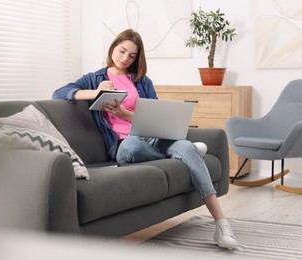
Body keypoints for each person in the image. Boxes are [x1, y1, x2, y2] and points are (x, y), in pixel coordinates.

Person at [52, 29, 237, 249]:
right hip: (124, 143)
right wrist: (95, 92)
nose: (125, 58)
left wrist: (125, 114)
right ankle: (186, 153)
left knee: (182, 146)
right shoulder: (95, 78)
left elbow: (156, 115)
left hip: (153, 137)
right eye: (122, 51)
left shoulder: (141, 81)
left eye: (132, 56)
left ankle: (221, 223)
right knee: (132, 148)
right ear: (113, 48)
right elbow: (60, 92)